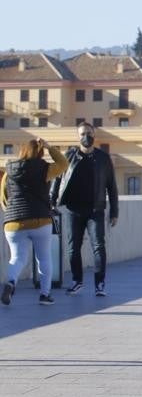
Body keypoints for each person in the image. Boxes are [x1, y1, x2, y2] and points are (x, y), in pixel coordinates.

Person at [50, 122, 118, 297]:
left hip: (96, 209)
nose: (85, 137)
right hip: (73, 209)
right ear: (77, 136)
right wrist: (52, 201)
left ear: (94, 135)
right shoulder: (69, 156)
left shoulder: (103, 158)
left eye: (89, 133)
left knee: (98, 246)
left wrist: (114, 211)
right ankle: (76, 281)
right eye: (82, 134)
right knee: (73, 248)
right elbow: (57, 179)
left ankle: (100, 284)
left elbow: (112, 186)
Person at [1, 139, 68, 306]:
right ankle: (45, 295)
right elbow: (63, 163)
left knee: (17, 258)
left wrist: (10, 214)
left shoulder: (9, 171)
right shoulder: (44, 169)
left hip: (14, 222)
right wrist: (50, 147)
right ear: (40, 153)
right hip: (40, 220)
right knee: (44, 258)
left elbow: (3, 196)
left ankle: (10, 283)